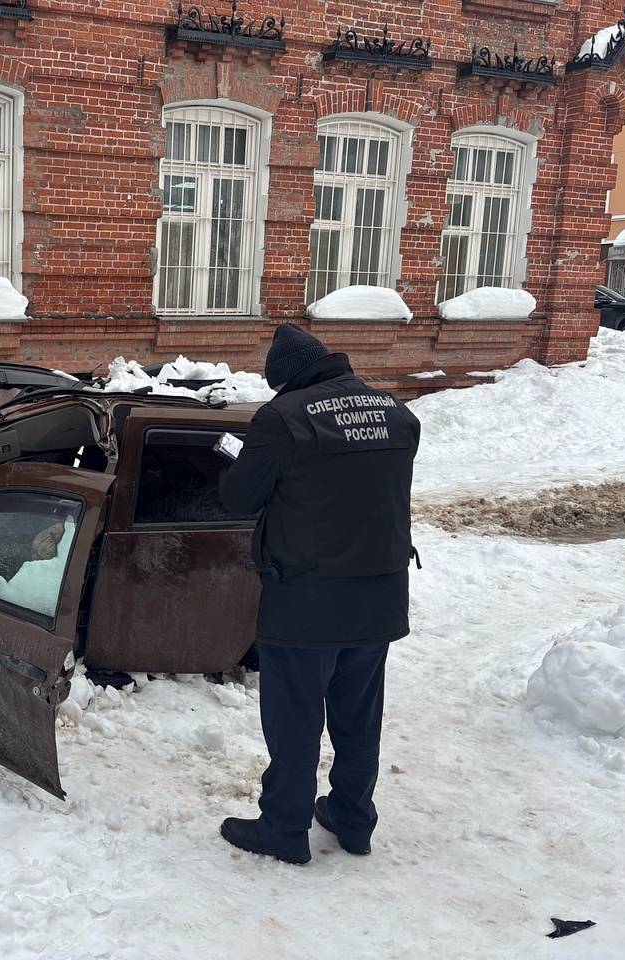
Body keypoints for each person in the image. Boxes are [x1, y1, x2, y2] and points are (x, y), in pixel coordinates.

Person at [217, 323, 421, 865]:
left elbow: (239, 499)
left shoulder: (282, 418)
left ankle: (284, 828)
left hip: (305, 599)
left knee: (295, 720)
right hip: (379, 594)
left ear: (286, 379)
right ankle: (353, 821)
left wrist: (236, 461)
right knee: (359, 718)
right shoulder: (396, 413)